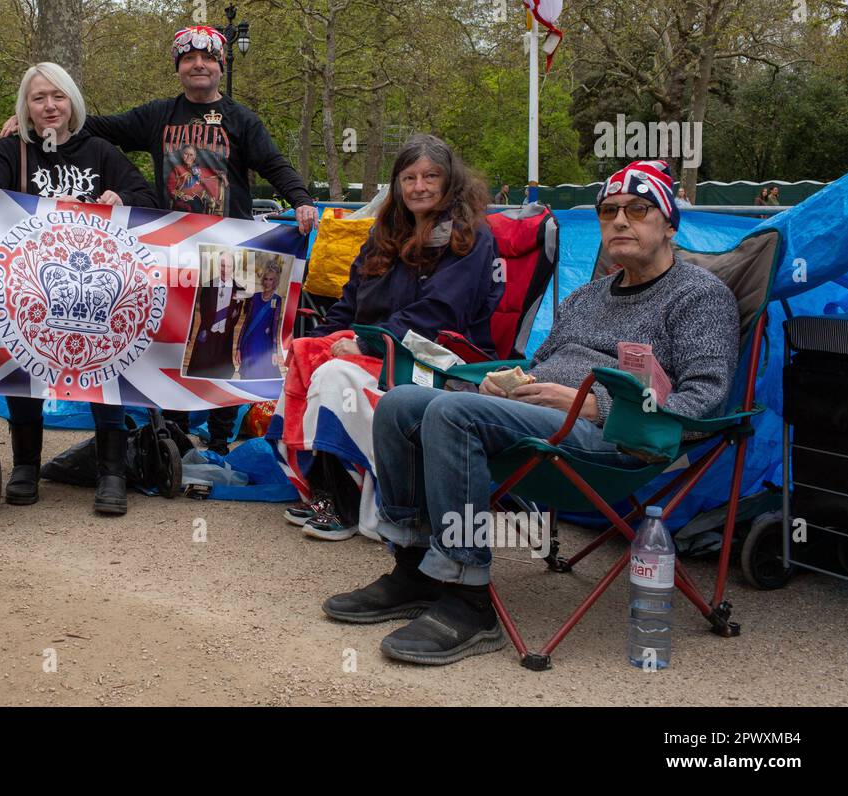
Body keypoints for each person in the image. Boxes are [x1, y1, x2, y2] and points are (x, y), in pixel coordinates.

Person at [325, 158, 739, 666]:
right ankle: (414, 569)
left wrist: (595, 406)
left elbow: (704, 399)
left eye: (639, 209)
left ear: (669, 223)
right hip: (537, 422)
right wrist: (500, 385)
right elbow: (538, 365)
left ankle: (468, 598)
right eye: (609, 211)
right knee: (400, 404)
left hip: (618, 439)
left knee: (455, 416)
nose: (621, 222)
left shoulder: (699, 296)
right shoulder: (588, 296)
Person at [1, 25, 318, 453]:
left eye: (207, 59)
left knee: (229, 350)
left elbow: (275, 164)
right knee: (173, 344)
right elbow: (94, 125)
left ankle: (221, 441)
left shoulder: (242, 120)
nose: (198, 65)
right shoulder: (157, 116)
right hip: (172, 253)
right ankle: (172, 438)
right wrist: (27, 122)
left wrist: (300, 200)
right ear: (179, 68)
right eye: (189, 60)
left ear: (220, 68)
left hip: (232, 251)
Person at [275, 134, 503, 542]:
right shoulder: (384, 233)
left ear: (450, 181)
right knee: (308, 357)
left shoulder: (470, 238)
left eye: (431, 176)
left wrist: (368, 344)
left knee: (335, 375)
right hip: (375, 347)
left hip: (438, 357)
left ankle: (350, 505)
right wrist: (316, 342)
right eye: (409, 177)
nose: (420, 186)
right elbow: (348, 304)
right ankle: (323, 492)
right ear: (396, 185)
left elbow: (440, 314)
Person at [0, 61, 158, 515]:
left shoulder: (100, 152)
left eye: (58, 96)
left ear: (72, 101)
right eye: (39, 98)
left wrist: (123, 199)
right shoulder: (8, 153)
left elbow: (152, 201)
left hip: (95, 297)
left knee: (106, 365)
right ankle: (26, 465)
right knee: (23, 363)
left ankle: (111, 470)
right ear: (27, 107)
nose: (50, 106)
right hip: (28, 289)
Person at [184, 250, 247, 379]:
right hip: (207, 336)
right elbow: (203, 311)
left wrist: (226, 326)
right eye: (222, 265)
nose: (225, 269)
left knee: (220, 375)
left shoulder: (240, 289)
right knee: (199, 373)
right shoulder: (208, 286)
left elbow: (237, 313)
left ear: (233, 268)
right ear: (218, 266)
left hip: (225, 338)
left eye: (229, 266)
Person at [236, 260, 284, 380]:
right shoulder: (255, 297)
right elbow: (246, 323)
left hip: (263, 345)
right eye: (266, 279)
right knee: (247, 377)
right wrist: (238, 348)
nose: (268, 282)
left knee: (261, 375)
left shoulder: (277, 300)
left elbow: (275, 328)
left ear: (275, 281)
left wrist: (274, 351)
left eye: (271, 279)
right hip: (249, 342)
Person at [166, 143, 222, 215]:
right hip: (182, 200)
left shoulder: (199, 169)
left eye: (191, 155)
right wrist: (182, 195)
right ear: (182, 155)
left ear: (195, 156)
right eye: (186, 154)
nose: (188, 157)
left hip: (200, 199)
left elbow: (212, 174)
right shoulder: (177, 169)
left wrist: (221, 175)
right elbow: (170, 188)